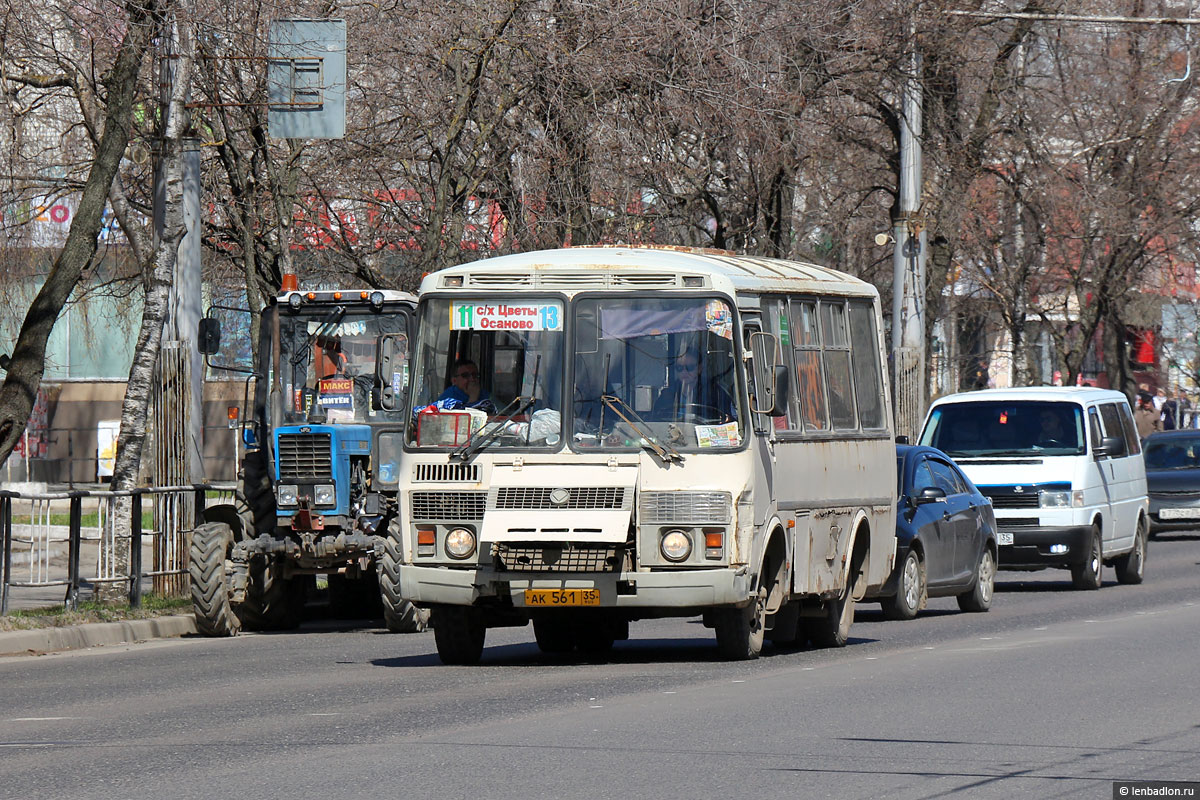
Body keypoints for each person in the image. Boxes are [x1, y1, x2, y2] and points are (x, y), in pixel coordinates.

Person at [652, 348, 736, 423]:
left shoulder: (715, 392)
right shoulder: (667, 394)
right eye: (679, 368)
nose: (684, 372)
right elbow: (656, 419)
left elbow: (729, 419)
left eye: (690, 367)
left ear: (699, 368)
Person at [416, 358, 496, 415]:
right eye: (466, 375)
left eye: (474, 375)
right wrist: (473, 398)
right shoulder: (449, 398)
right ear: (454, 381)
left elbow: (501, 412)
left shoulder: (484, 394)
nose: (472, 379)